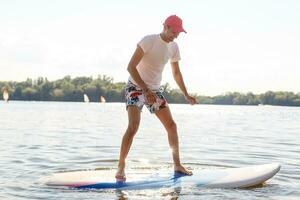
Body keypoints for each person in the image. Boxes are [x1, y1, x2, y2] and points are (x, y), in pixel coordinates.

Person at [116, 15, 197, 181]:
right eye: (174, 32)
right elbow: (130, 67)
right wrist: (145, 90)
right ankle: (121, 166)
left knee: (172, 126)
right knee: (133, 126)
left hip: (154, 90)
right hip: (136, 88)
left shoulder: (174, 47)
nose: (176, 36)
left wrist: (186, 94)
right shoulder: (148, 41)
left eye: (179, 33)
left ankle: (177, 165)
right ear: (165, 26)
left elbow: (176, 73)